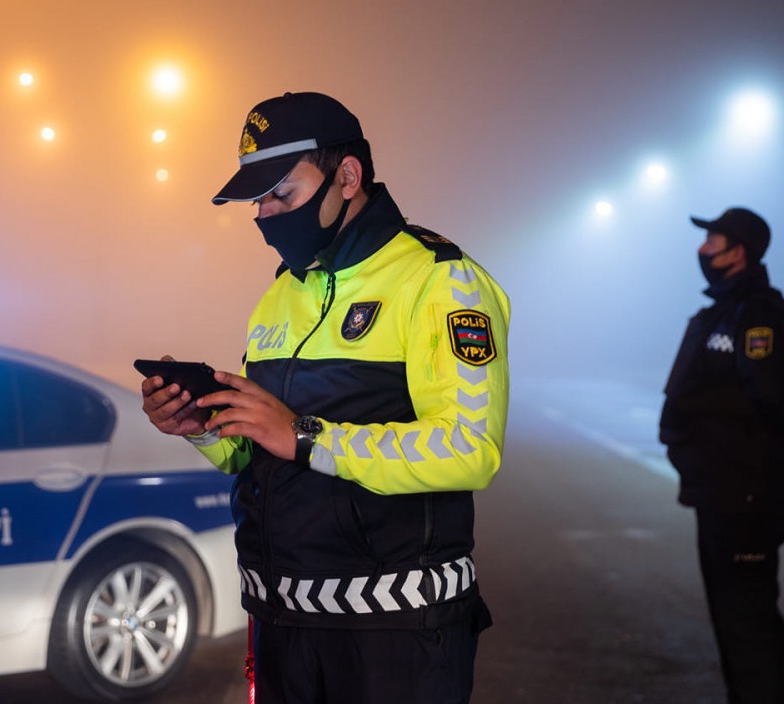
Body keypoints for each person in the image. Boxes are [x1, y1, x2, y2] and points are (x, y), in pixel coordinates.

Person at [141, 91, 511, 704]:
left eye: (280, 194)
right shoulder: (285, 288)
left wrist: (310, 438)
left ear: (347, 175)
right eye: (256, 200)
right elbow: (255, 449)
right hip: (281, 619)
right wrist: (200, 424)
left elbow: (470, 449)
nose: (264, 215)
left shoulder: (442, 279)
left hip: (395, 632)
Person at [659, 207, 784, 704]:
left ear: (737, 250)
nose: (703, 249)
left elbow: (771, 401)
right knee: (731, 617)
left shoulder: (761, 313)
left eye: (713, 240)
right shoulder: (717, 313)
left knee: (748, 619)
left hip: (746, 493)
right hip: (719, 490)